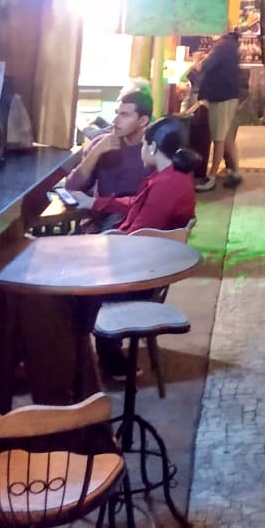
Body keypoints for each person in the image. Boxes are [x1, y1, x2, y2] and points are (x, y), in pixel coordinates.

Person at [93, 116, 199, 377]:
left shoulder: (167, 185)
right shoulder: (174, 176)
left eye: (143, 144)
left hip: (138, 277)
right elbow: (138, 206)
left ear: (152, 148)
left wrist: (103, 242)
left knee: (69, 295)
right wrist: (97, 204)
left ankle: (99, 359)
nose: (141, 149)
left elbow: (138, 237)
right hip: (148, 268)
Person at [64, 89, 153, 227]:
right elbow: (71, 187)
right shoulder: (101, 142)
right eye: (117, 113)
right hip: (97, 219)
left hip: (132, 223)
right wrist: (95, 152)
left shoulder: (151, 152)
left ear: (143, 121)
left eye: (124, 115)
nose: (115, 121)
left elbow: (149, 204)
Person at [195, 30, 243, 192]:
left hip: (221, 97)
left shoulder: (222, 46)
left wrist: (198, 60)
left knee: (218, 138)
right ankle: (236, 172)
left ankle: (211, 177)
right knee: (227, 138)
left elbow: (204, 67)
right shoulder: (229, 44)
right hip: (229, 95)